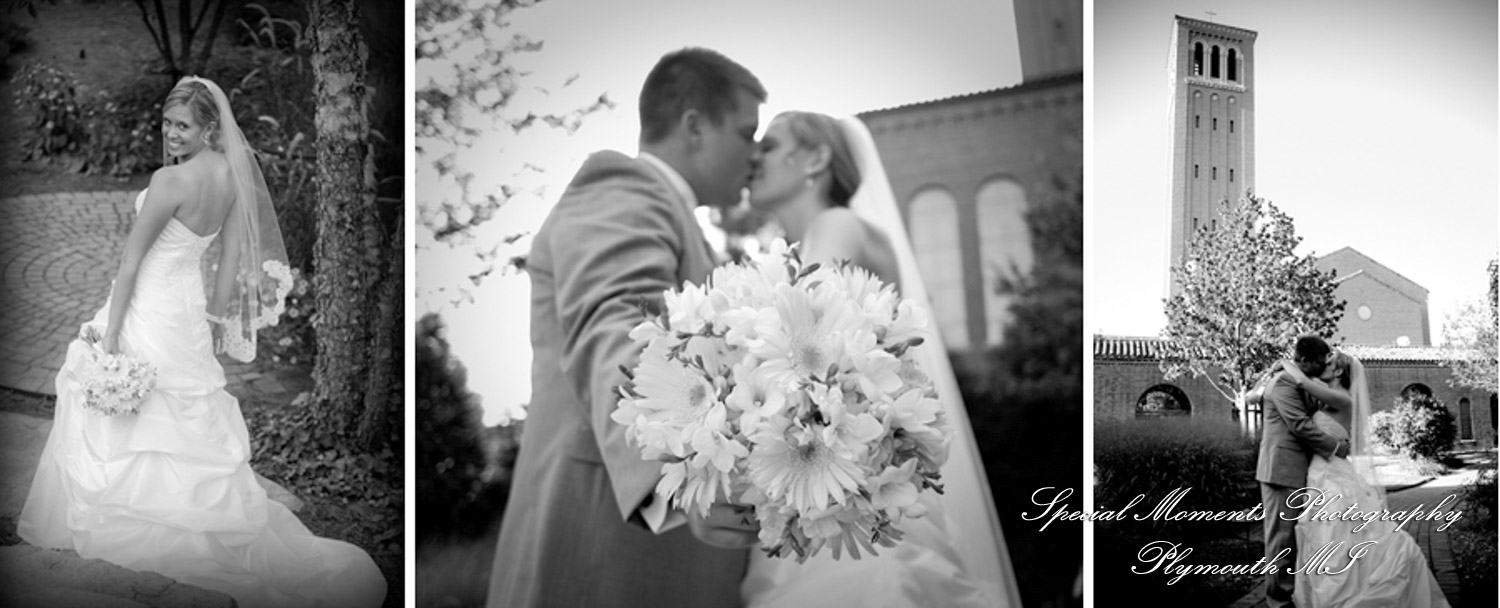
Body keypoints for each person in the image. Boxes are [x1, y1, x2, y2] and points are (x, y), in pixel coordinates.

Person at [17, 77, 386, 608]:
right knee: (180, 413)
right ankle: (193, 517)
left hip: (149, 308)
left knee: (126, 410)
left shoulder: (170, 182)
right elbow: (229, 259)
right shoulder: (230, 173)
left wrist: (113, 330)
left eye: (182, 125)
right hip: (187, 313)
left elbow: (130, 262)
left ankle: (139, 518)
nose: (170, 133)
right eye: (167, 123)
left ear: (210, 127)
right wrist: (212, 319)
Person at [486, 48, 766, 608]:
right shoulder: (624, 187)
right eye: (746, 133)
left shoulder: (685, 225)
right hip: (600, 551)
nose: (755, 156)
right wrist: (684, 476)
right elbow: (620, 323)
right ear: (694, 126)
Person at [738, 110, 1022, 607]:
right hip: (830, 489)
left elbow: (810, 338)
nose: (753, 156)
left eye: (769, 144)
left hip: (839, 495)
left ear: (815, 158)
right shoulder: (838, 236)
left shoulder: (836, 223)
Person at [1275, 352, 1451, 607]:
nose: (1324, 364)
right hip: (1323, 472)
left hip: (1331, 475)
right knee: (1326, 533)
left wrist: (1285, 363)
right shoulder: (1327, 398)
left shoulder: (1341, 398)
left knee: (1333, 533)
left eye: (1330, 363)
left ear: (1338, 372)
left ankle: (1340, 595)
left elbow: (1302, 382)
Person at [1255, 333, 1348, 608]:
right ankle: (1277, 600)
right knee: (1281, 538)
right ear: (1305, 360)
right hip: (1281, 469)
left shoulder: (1301, 381)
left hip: (1299, 469)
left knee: (1294, 537)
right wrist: (1336, 447)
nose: (1323, 366)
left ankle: (1291, 592)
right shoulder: (1283, 382)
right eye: (1320, 362)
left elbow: (1320, 411)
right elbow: (1300, 426)